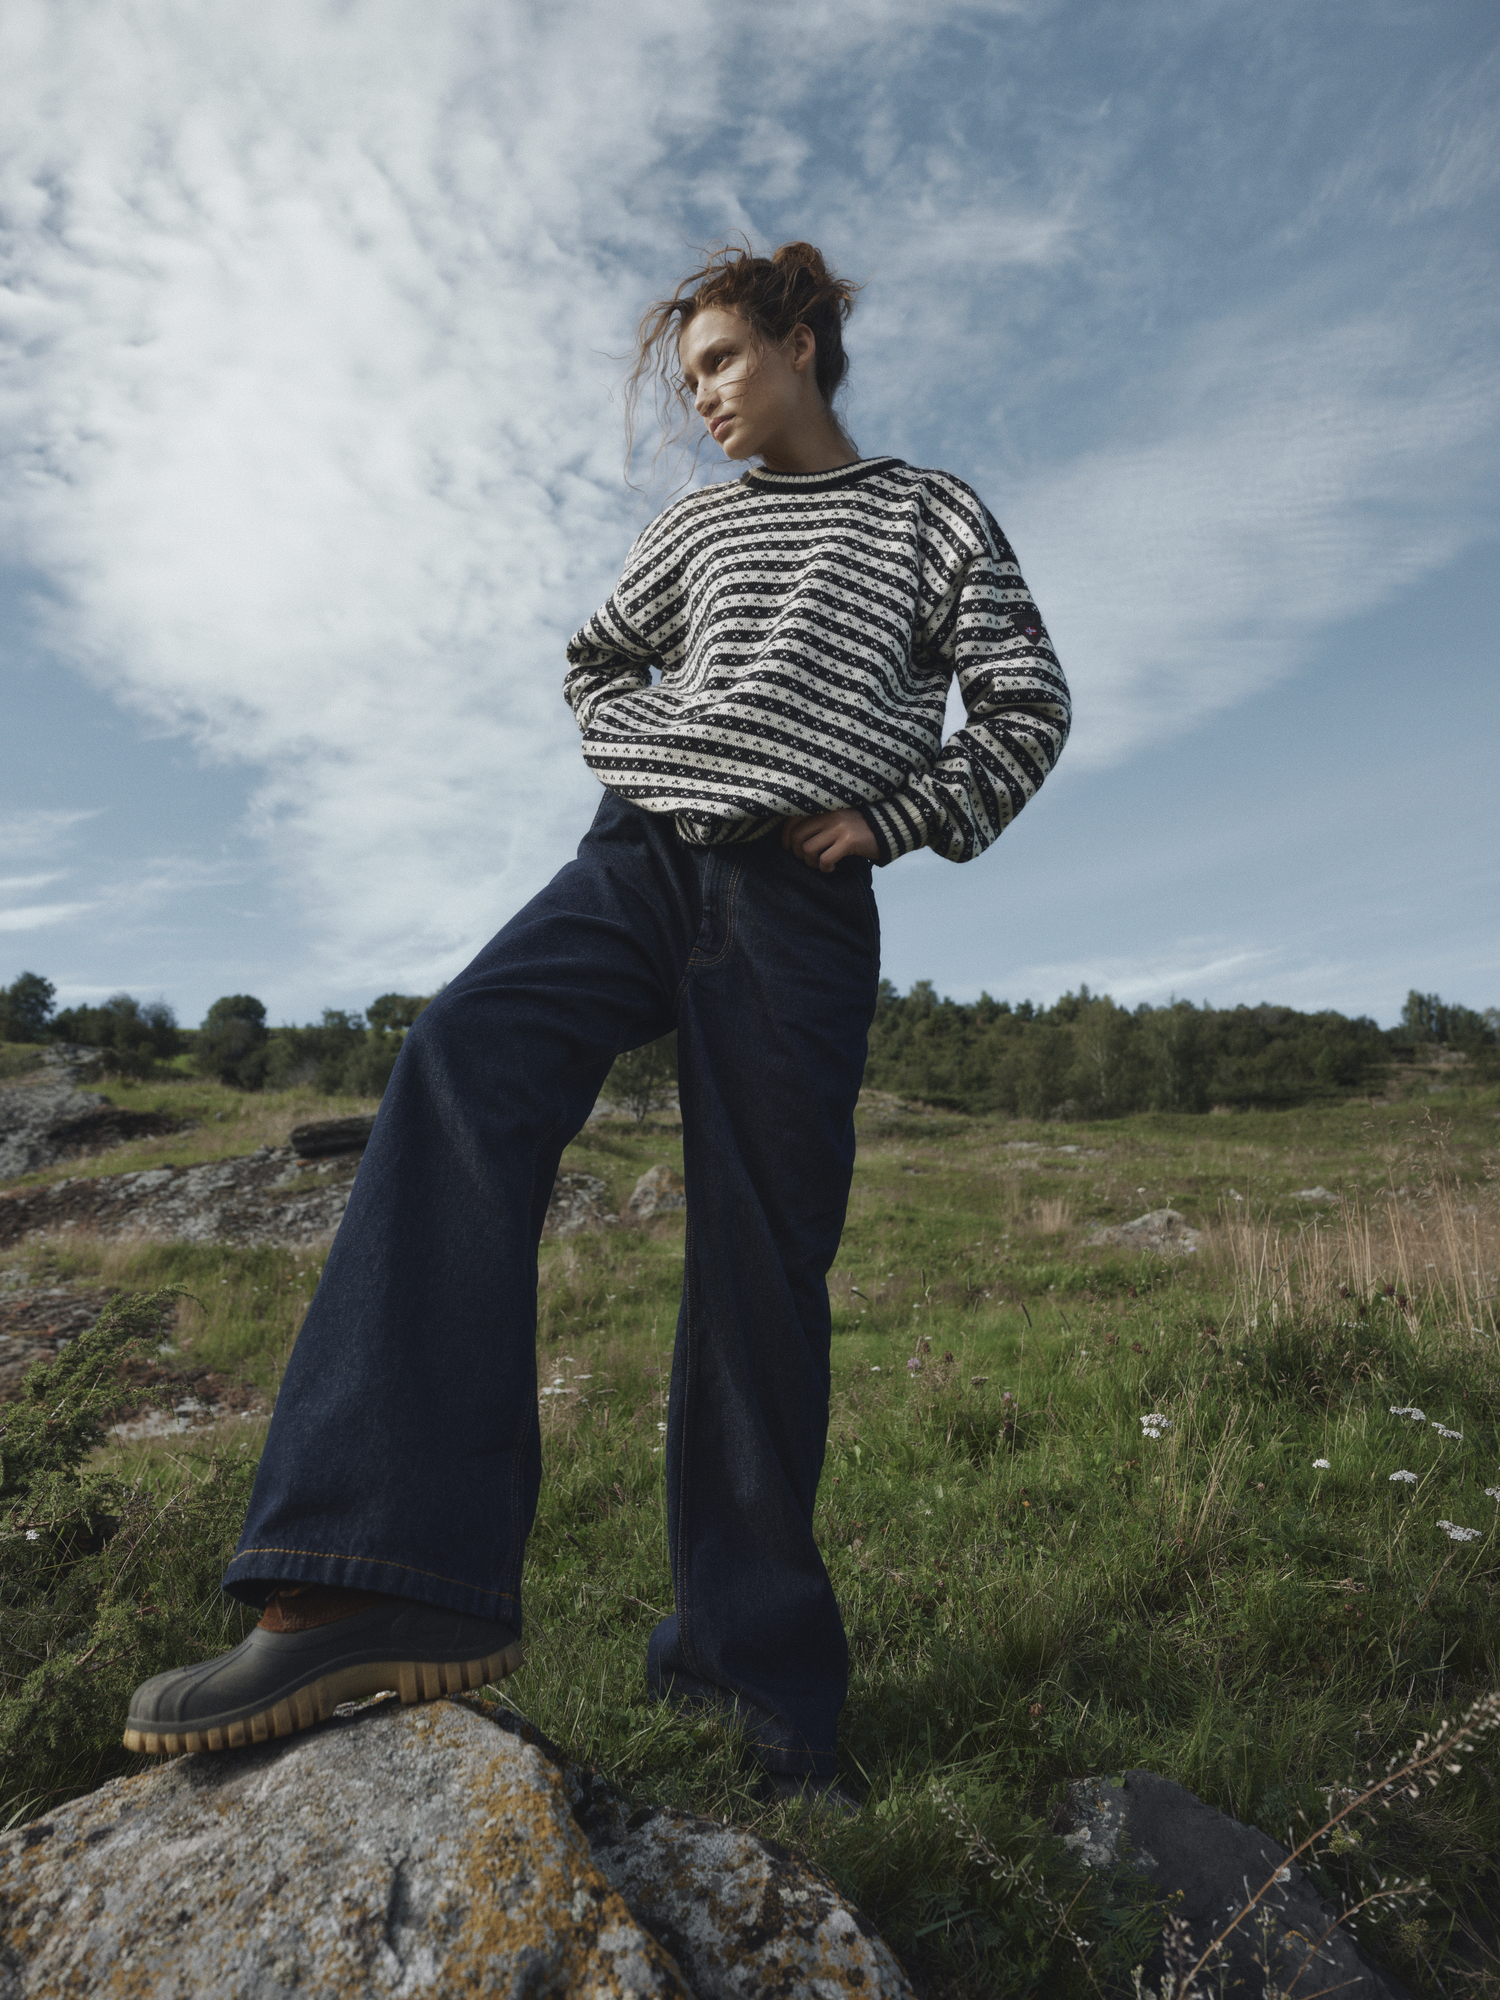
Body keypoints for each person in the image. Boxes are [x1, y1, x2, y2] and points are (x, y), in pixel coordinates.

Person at [124, 241, 1071, 1797]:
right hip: (635, 861)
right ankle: (369, 1573)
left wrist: (895, 818)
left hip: (795, 905)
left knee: (759, 1276)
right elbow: (594, 664)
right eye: (685, 374)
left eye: (716, 361)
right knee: (456, 1058)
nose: (697, 397)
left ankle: (755, 1680)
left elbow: (1025, 702)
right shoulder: (693, 529)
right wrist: (677, 754)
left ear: (802, 340)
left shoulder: (928, 512)